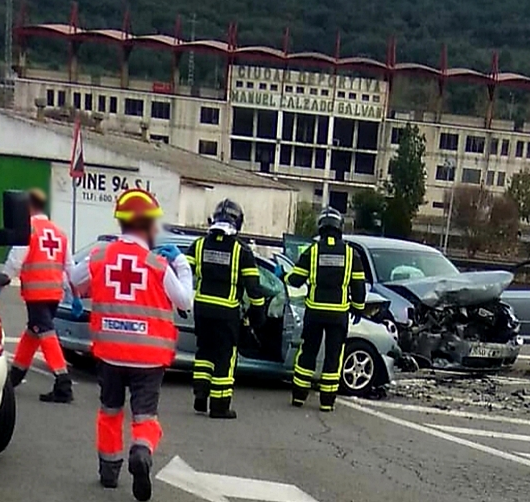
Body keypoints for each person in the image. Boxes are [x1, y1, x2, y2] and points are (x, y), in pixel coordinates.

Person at [70, 188, 193, 501]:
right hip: (149, 358)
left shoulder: (99, 255)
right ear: (148, 225)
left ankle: (109, 471)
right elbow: (185, 301)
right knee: (144, 418)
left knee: (110, 412)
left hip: (110, 353)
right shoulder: (157, 265)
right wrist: (182, 266)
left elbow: (73, 279)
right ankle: (142, 451)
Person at [184, 199, 266, 419]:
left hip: (202, 309)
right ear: (237, 222)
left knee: (203, 353)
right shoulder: (242, 250)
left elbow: (182, 272)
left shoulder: (199, 245)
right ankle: (219, 407)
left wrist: (180, 301)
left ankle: (200, 397)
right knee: (224, 357)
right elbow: (254, 289)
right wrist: (258, 315)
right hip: (226, 312)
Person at [285, 207, 366, 411]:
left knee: (307, 352)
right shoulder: (351, 254)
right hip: (338, 315)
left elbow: (294, 280)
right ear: (340, 228)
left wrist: (282, 274)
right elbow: (358, 285)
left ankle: (299, 396)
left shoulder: (312, 252)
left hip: (314, 313)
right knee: (333, 356)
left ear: (321, 228)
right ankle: (327, 402)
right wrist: (358, 307)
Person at [4, 188, 78, 403]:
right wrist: (74, 294)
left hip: (36, 292)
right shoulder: (60, 233)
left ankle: (63, 381)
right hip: (54, 292)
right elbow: (69, 266)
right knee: (34, 331)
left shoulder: (28, 230)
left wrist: (2, 280)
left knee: (44, 331)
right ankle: (15, 376)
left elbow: (16, 260)